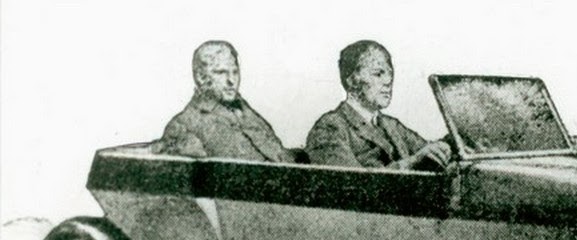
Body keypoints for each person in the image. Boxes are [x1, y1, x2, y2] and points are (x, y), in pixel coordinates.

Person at [306, 40, 451, 169]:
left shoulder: (391, 125)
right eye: (378, 74)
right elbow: (351, 183)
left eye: (390, 74)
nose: (388, 81)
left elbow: (427, 150)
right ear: (352, 81)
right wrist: (411, 162)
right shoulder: (330, 127)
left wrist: (449, 145)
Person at [154, 40, 293, 162]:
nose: (231, 80)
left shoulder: (249, 116)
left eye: (235, 72)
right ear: (201, 77)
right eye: (221, 72)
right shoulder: (183, 125)